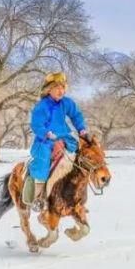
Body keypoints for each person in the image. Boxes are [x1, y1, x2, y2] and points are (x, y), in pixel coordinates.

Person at [28, 72, 90, 212]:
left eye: (63, 87)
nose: (60, 90)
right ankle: (38, 197)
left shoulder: (67, 103)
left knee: (80, 158)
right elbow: (36, 125)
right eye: (57, 87)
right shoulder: (41, 106)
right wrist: (47, 134)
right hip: (45, 141)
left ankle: (77, 195)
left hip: (64, 137)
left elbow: (76, 115)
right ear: (48, 89)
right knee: (43, 161)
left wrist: (81, 130)